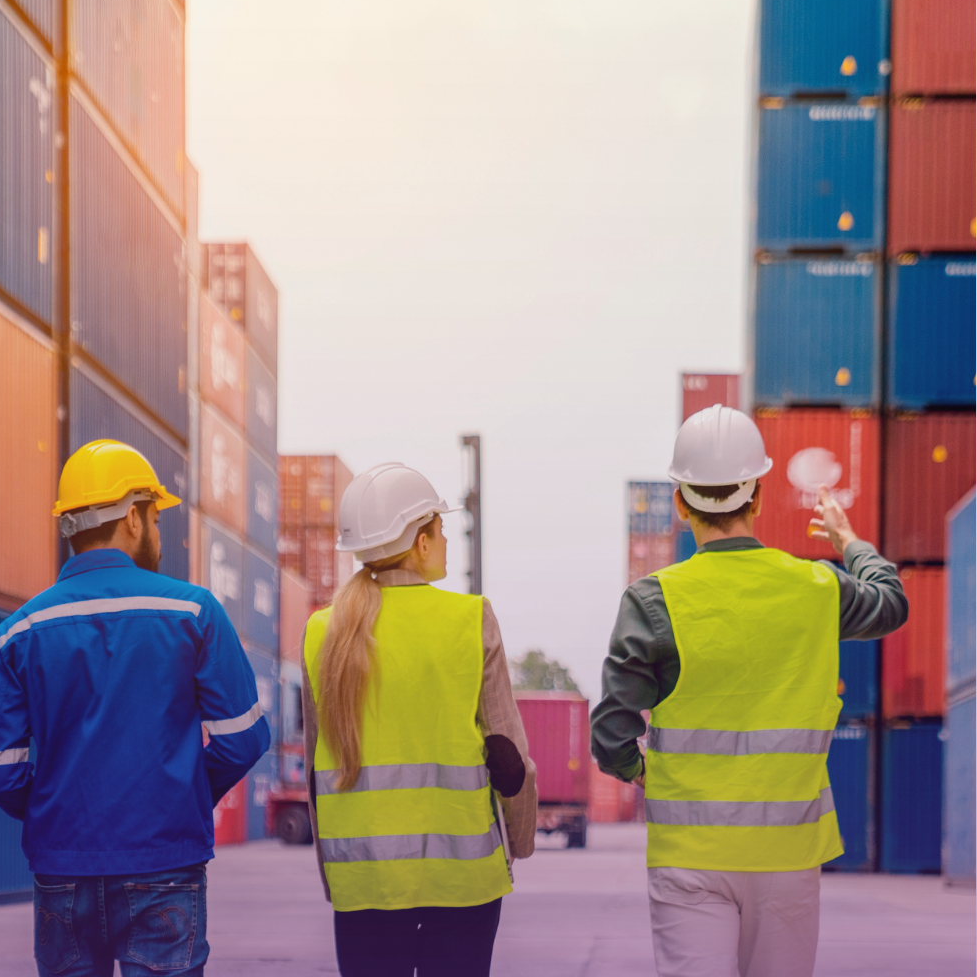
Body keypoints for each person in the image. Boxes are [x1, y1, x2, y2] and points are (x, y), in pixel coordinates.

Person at [591, 405, 908, 977]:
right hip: (787, 859)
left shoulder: (652, 600)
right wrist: (847, 538)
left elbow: (611, 732)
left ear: (682, 501)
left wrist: (645, 774)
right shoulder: (815, 587)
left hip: (689, 858)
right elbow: (890, 601)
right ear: (757, 495)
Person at [0, 439, 270, 977]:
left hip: (61, 870)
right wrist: (180, 797)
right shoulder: (193, 612)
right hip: (165, 864)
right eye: (156, 518)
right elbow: (243, 740)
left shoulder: (16, 632)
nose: (159, 533)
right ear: (134, 517)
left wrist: (55, 809)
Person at [301, 463, 538, 977]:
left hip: (363, 878)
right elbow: (509, 758)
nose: (446, 541)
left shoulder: (323, 632)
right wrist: (519, 843)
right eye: (441, 529)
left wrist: (333, 874)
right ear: (421, 542)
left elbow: (315, 773)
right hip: (462, 876)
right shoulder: (470, 618)